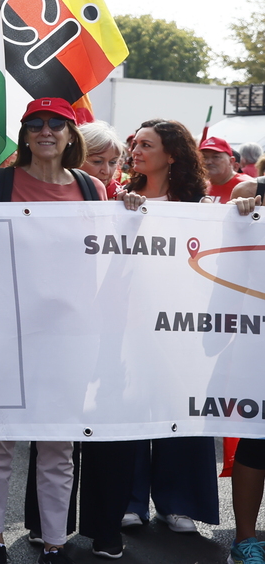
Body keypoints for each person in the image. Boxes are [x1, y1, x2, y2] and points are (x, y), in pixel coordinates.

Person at [0, 98, 105, 564]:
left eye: (57, 124)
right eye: (36, 124)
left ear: (71, 135)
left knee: (58, 446)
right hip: (6, 333)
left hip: (69, 336)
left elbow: (106, 253)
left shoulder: (93, 189)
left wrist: (132, 209)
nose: (46, 131)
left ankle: (54, 543)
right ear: (25, 134)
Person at [112, 119, 217, 541]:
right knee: (130, 408)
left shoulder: (201, 206)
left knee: (178, 408)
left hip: (180, 327)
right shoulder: (117, 199)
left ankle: (178, 504)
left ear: (172, 155)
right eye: (135, 145)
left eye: (146, 146)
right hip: (126, 325)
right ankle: (129, 501)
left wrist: (244, 212)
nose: (135, 152)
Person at [79, 122, 126, 199]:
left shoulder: (121, 196)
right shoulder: (56, 191)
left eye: (113, 162)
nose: (106, 171)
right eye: (97, 161)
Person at [202, 135, 252, 202]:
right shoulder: (199, 187)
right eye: (204, 157)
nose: (208, 162)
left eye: (216, 157)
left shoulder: (247, 186)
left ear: (231, 161)